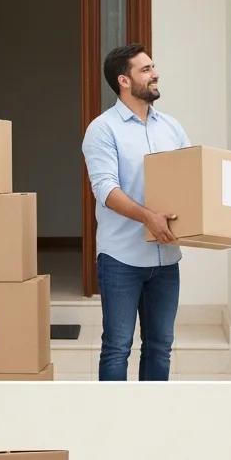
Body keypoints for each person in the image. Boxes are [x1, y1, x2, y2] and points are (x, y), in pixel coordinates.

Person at [82, 44, 188, 381]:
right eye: (146, 69)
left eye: (153, 67)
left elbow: (194, 182)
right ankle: (113, 424)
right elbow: (106, 190)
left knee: (160, 346)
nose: (155, 74)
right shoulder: (103, 129)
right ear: (124, 80)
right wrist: (148, 217)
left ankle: (150, 420)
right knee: (117, 346)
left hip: (166, 260)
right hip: (121, 260)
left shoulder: (171, 127)